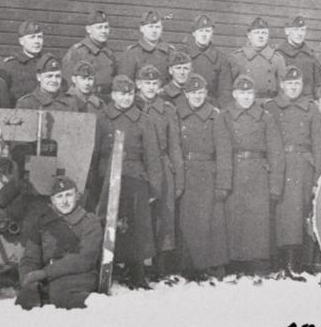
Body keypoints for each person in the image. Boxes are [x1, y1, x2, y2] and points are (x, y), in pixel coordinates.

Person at [94, 75, 164, 289]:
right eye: (121, 93)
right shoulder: (102, 118)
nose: (126, 98)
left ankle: (136, 271)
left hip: (135, 178)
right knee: (107, 222)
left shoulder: (144, 120)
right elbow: (94, 152)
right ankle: (108, 268)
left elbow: (152, 156)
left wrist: (154, 186)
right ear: (113, 94)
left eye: (130, 94)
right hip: (107, 177)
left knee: (137, 226)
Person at [214, 75, 284, 274]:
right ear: (235, 94)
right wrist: (223, 183)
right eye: (242, 93)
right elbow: (222, 150)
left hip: (258, 173)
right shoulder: (225, 117)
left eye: (249, 93)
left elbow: (276, 152)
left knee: (258, 219)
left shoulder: (265, 117)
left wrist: (275, 185)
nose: (246, 97)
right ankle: (234, 263)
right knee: (234, 217)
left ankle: (258, 263)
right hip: (235, 172)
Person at [264, 66, 321, 278]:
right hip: (280, 165)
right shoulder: (271, 108)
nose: (293, 87)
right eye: (289, 84)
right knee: (280, 215)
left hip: (302, 166)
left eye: (297, 84)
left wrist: (319, 176)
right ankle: (279, 262)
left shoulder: (311, 108)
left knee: (300, 215)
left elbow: (318, 144)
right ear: (282, 85)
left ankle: (297, 262)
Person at [15, 176, 103, 310]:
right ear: (53, 201)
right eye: (59, 196)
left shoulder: (89, 223)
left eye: (69, 195)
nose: (65, 201)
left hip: (79, 276)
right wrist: (28, 279)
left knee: (60, 294)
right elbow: (29, 258)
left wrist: (45, 273)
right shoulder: (43, 223)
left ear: (77, 196)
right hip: (49, 277)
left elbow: (84, 259)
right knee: (25, 300)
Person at [176, 74, 228, 279]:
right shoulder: (179, 115)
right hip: (188, 172)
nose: (197, 97)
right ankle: (189, 266)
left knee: (211, 221)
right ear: (186, 94)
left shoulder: (216, 116)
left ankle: (211, 265)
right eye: (193, 93)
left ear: (206, 93)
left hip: (209, 171)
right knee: (188, 221)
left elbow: (224, 150)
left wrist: (223, 182)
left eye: (201, 92)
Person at [135, 64, 184, 277]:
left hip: (163, 166)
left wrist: (178, 178)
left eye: (155, 83)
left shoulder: (167, 110)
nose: (151, 87)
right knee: (139, 215)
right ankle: (138, 265)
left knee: (164, 215)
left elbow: (175, 146)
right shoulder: (131, 106)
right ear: (138, 84)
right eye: (147, 83)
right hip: (138, 165)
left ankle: (161, 267)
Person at [61, 9, 117, 102]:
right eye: (99, 27)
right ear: (88, 29)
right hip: (83, 102)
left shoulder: (109, 53)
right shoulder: (77, 52)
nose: (104, 31)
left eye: (106, 27)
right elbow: (67, 84)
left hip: (105, 102)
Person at [228, 17, 286, 102]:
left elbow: (283, 89)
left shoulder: (277, 59)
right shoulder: (237, 58)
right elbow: (228, 88)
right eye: (256, 33)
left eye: (264, 33)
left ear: (268, 35)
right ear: (249, 35)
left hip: (270, 104)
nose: (260, 36)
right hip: (245, 104)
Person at [180, 14, 232, 107]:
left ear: (212, 33)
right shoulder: (182, 55)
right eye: (200, 31)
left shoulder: (221, 59)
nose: (204, 34)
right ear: (194, 33)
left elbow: (225, 94)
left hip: (211, 108)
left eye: (207, 31)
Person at [118, 11, 175, 85]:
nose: (154, 31)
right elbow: (125, 83)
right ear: (142, 29)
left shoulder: (170, 52)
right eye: (150, 27)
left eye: (157, 27)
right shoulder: (132, 53)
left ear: (162, 29)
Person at [0, 20, 46, 105]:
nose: (37, 41)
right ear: (21, 41)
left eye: (39, 37)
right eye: (32, 37)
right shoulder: (10, 66)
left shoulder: (47, 63)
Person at [276, 16, 317, 99]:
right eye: (296, 30)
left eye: (302, 30)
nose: (300, 34)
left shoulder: (311, 55)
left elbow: (316, 84)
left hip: (307, 103)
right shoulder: (278, 54)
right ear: (287, 31)